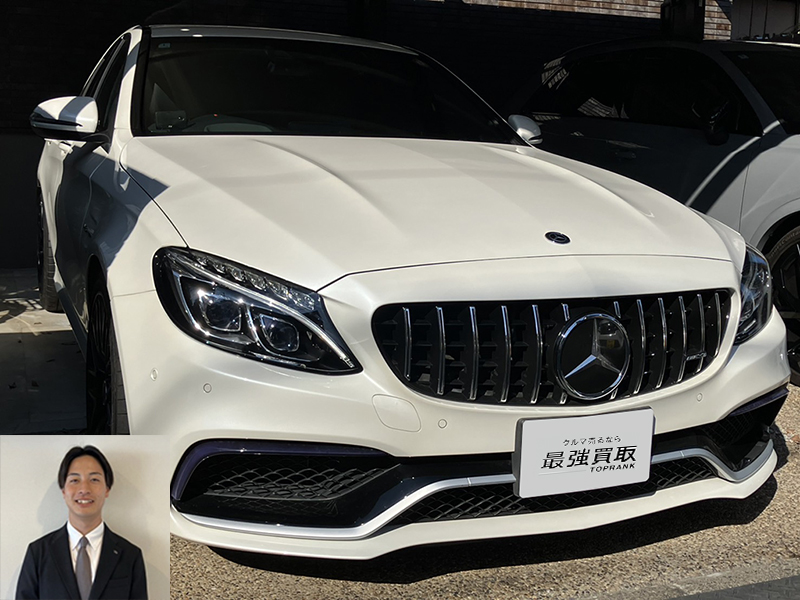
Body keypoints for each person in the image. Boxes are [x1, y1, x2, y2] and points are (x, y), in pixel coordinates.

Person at [16, 446, 147, 600]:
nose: (84, 489)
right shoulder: (38, 553)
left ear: (107, 489)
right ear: (63, 490)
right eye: (75, 480)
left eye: (94, 479)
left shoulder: (130, 555)